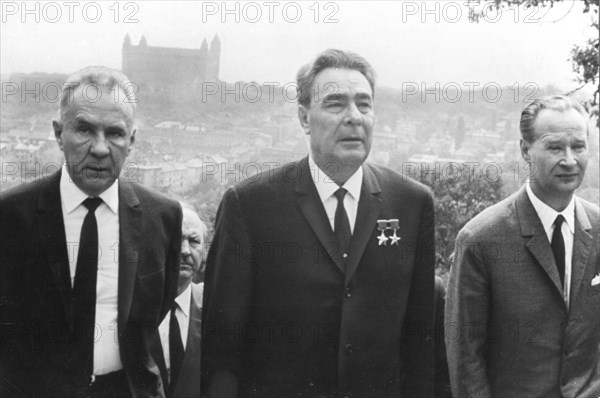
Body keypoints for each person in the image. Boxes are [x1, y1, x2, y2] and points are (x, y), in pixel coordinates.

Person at [202, 49, 435, 398]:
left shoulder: (412, 203)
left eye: (364, 104)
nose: (354, 117)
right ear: (304, 117)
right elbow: (222, 348)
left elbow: (420, 344)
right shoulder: (250, 205)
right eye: (336, 104)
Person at [0, 66, 182, 398]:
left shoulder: (164, 217)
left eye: (114, 133)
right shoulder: (10, 215)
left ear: (132, 141)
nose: (100, 148)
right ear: (58, 133)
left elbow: (158, 307)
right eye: (84, 129)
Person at [445, 95, 599, 397]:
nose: (569, 160)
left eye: (578, 146)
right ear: (525, 150)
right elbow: (465, 359)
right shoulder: (480, 240)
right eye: (555, 147)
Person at [152, 203, 207, 398]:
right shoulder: (131, 306)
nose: (185, 251)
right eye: (176, 239)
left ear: (205, 250)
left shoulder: (214, 305)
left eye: (194, 241)